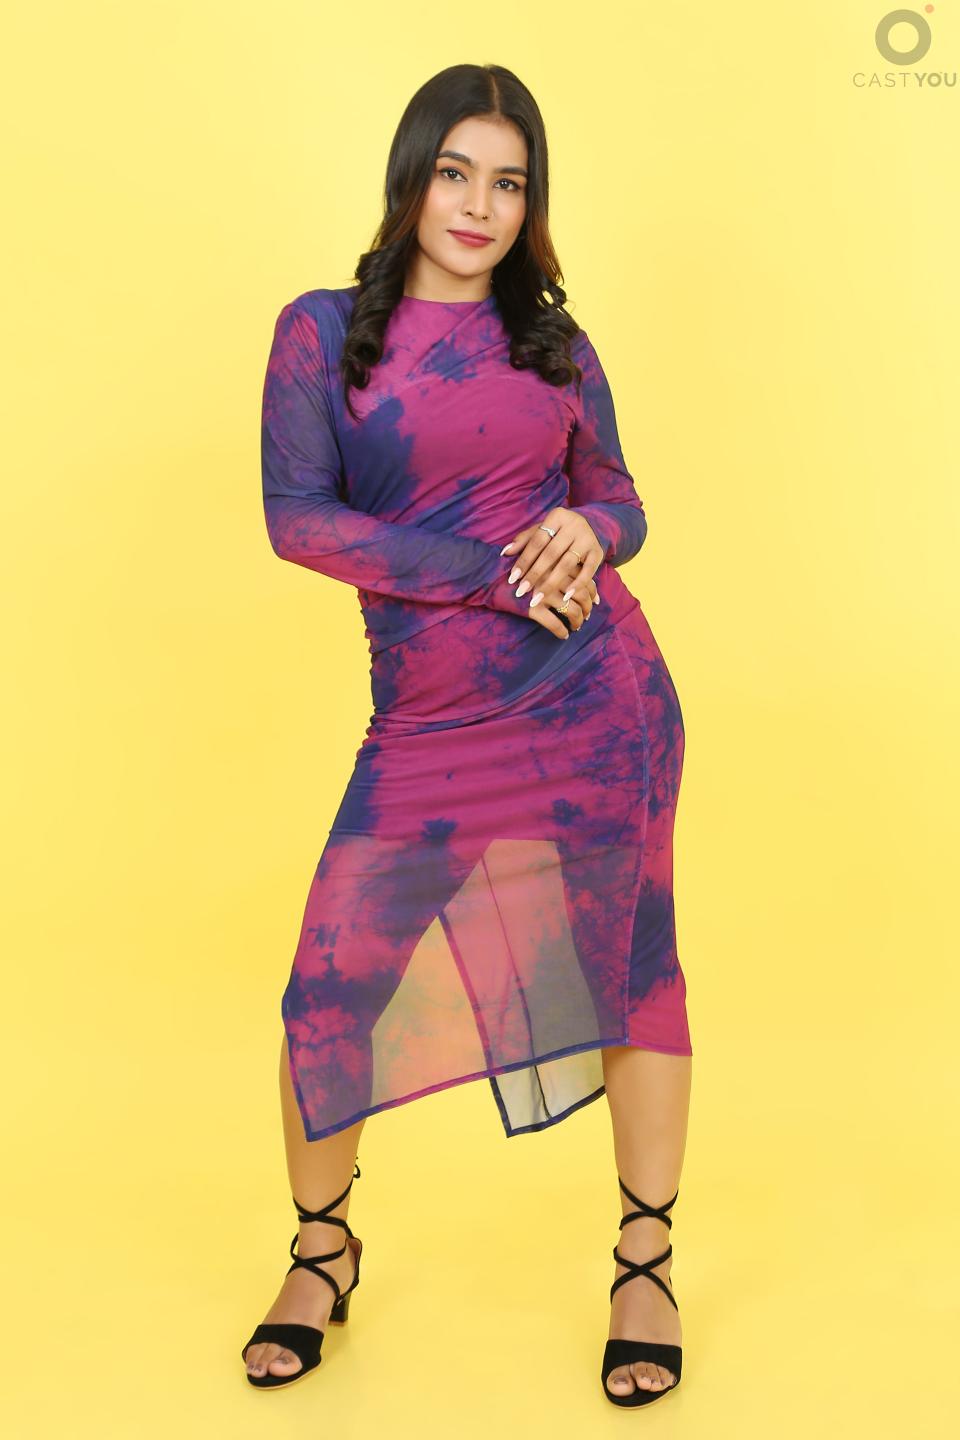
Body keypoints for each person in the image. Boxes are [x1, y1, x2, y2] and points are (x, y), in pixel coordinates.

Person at [241, 62, 693, 1408]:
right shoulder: (324, 333)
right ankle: (323, 1250)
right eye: (456, 173)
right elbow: (298, 520)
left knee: (636, 971)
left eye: (509, 183)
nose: (480, 206)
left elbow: (620, 498)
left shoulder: (553, 342)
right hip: (428, 724)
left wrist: (591, 527)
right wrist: (494, 573)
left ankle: (647, 1261)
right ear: (412, 177)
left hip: (595, 699)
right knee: (330, 983)